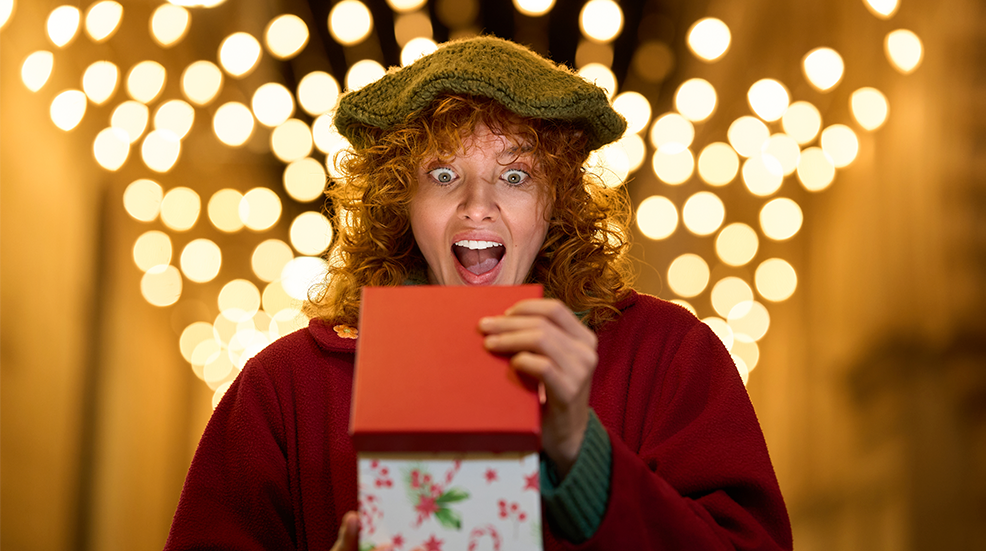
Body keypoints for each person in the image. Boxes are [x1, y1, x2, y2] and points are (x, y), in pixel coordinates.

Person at [165, 36, 793, 550]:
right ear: (399, 202)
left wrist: (584, 456)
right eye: (443, 175)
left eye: (515, 176)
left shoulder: (669, 356)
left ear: (559, 200)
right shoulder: (285, 388)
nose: (478, 207)